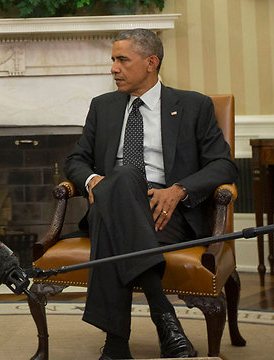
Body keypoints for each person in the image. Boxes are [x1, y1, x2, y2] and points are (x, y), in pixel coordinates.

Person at [64, 28, 238, 359]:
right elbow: (76, 160)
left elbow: (224, 166)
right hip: (114, 197)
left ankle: (116, 344)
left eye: (122, 60)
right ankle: (165, 320)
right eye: (112, 60)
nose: (113, 68)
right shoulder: (103, 107)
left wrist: (179, 190)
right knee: (124, 178)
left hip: (167, 212)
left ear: (151, 62)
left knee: (112, 209)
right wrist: (92, 182)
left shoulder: (193, 105)